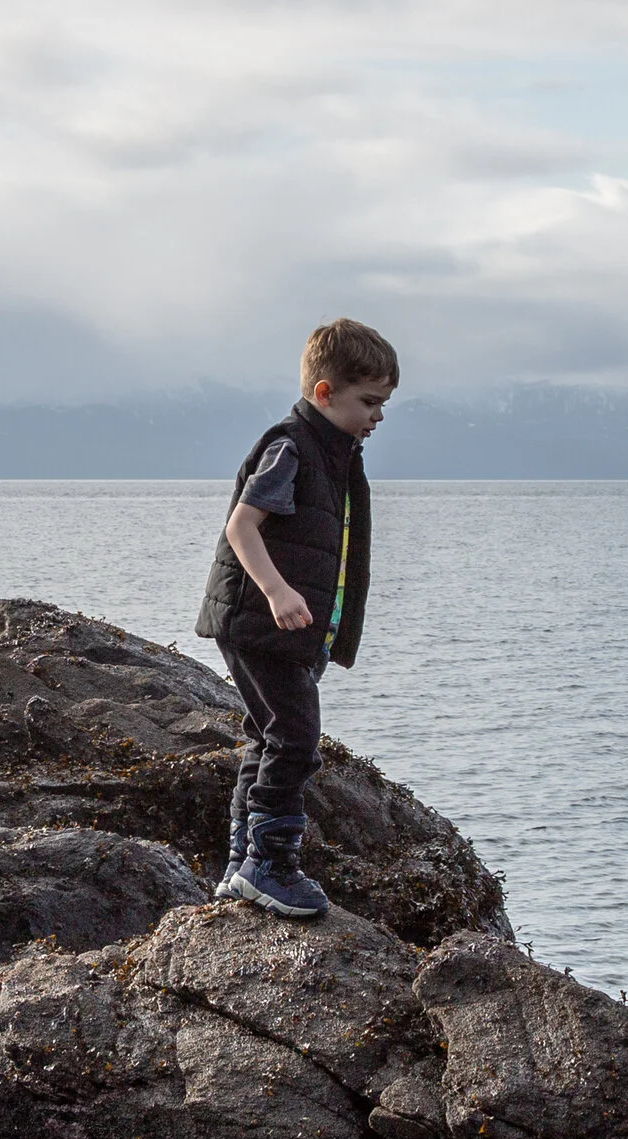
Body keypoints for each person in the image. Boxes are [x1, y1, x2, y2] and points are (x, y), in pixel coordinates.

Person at [194, 319, 396, 917]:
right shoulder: (291, 446)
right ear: (326, 392)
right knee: (297, 739)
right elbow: (242, 525)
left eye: (384, 404)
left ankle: (241, 864)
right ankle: (271, 863)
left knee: (267, 736)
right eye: (370, 402)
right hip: (262, 621)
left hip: (282, 628)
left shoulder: (334, 454)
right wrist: (278, 592)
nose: (378, 417)